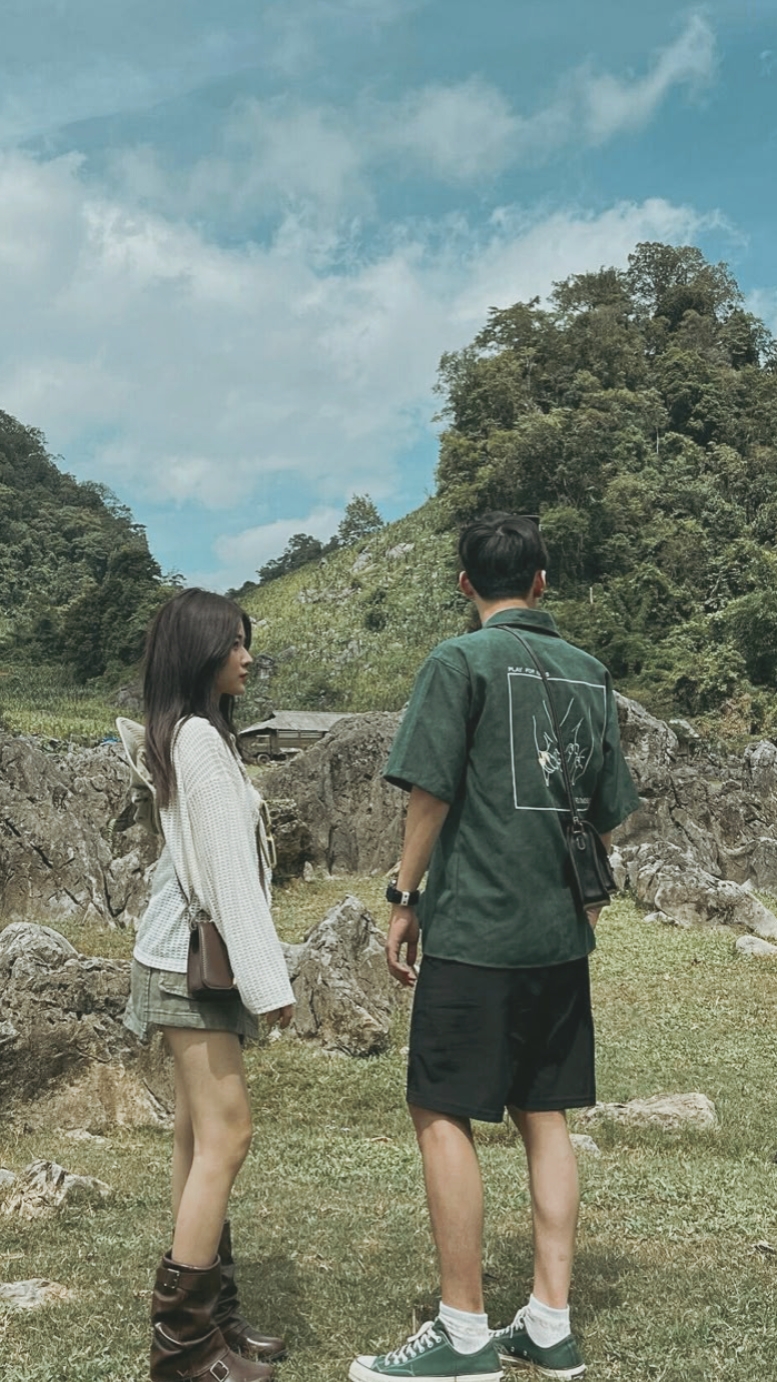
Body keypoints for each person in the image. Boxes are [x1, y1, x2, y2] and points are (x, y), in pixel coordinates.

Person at [349, 512, 640, 1382]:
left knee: (440, 1109)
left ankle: (464, 1332)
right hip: (558, 933)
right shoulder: (589, 672)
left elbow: (429, 793)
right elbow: (606, 811)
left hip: (476, 928)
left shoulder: (458, 661)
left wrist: (404, 896)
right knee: (543, 1113)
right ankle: (549, 1322)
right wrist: (584, 901)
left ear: (464, 583)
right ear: (541, 581)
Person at [121, 588, 295, 1382]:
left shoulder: (190, 733)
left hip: (178, 955)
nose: (247, 656)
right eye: (233, 643)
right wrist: (268, 980)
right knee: (228, 1135)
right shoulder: (197, 739)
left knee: (197, 1139)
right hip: (190, 963)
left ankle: (213, 1319)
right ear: (200, 652)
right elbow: (228, 875)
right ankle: (185, 1347)